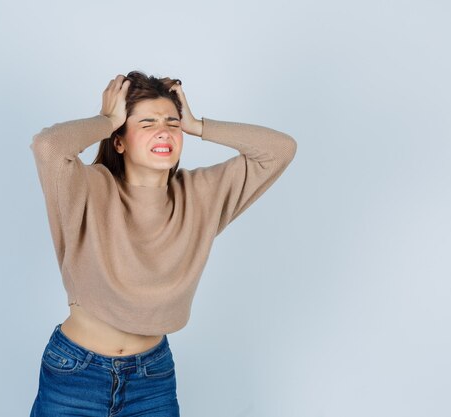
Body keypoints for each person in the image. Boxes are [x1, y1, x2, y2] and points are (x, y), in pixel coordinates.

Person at [28, 71, 297, 416]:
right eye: (147, 123)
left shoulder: (200, 196)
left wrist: (199, 125)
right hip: (75, 373)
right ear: (119, 140)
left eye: (172, 122)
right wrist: (106, 119)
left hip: (151, 379)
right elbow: (47, 146)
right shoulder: (88, 188)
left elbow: (281, 150)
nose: (164, 131)